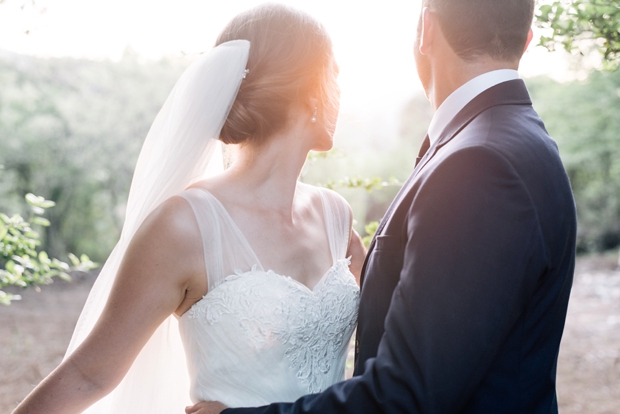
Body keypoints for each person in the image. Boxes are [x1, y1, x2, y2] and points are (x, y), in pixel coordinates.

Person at [192, 0, 578, 413]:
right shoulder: (516, 139)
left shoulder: (478, 162)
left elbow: (407, 394)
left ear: (427, 29)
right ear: (527, 39)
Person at [13, 4, 365, 414]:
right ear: (310, 91)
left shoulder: (336, 217)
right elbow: (88, 375)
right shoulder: (185, 225)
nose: (341, 90)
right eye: (335, 74)